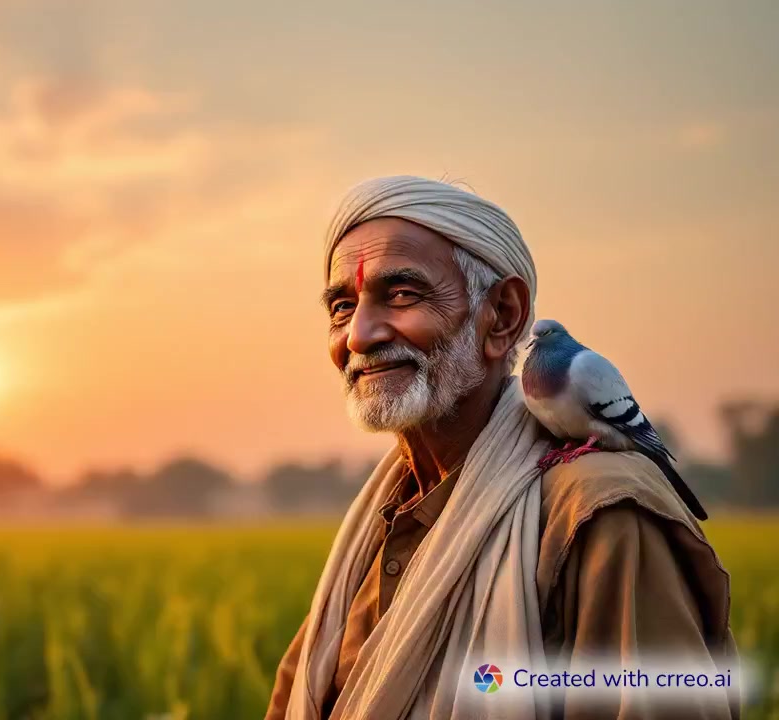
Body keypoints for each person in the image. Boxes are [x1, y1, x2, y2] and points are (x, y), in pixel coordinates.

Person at [265, 176, 740, 720]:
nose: (359, 336)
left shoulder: (599, 516)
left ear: (504, 316)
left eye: (401, 295)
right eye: (342, 307)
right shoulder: (375, 528)